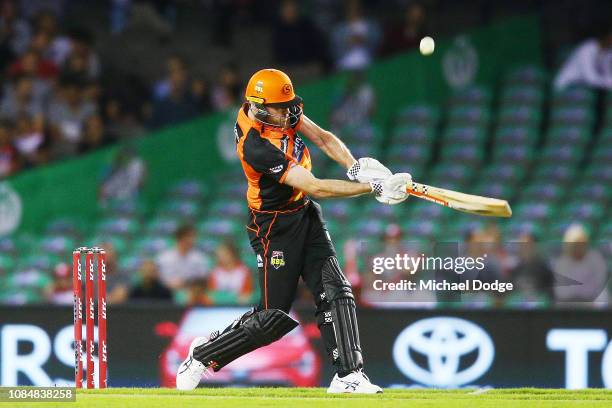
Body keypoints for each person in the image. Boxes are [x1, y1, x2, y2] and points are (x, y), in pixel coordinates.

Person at [176, 68, 411, 393]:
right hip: (273, 227)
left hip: (303, 213)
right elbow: (316, 186)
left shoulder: (283, 111)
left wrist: (354, 167)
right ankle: (202, 356)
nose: (288, 113)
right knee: (273, 318)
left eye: (289, 105)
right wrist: (372, 187)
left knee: (336, 289)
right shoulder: (255, 146)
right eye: (279, 107)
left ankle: (348, 377)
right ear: (259, 108)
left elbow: (325, 138)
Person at [553, 223, 609, 306]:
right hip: (569, 303)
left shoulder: (595, 258)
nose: (577, 247)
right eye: (574, 244)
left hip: (592, 301)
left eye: (580, 243)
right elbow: (561, 292)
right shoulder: (561, 262)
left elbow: (600, 283)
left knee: (603, 298)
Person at [156, 224, 210, 290]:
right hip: (166, 294)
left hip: (191, 294)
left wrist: (186, 283)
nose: (192, 240)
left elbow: (204, 279)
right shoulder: (163, 257)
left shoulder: (200, 258)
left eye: (193, 237)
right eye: (188, 237)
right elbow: (158, 279)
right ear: (178, 238)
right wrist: (169, 284)